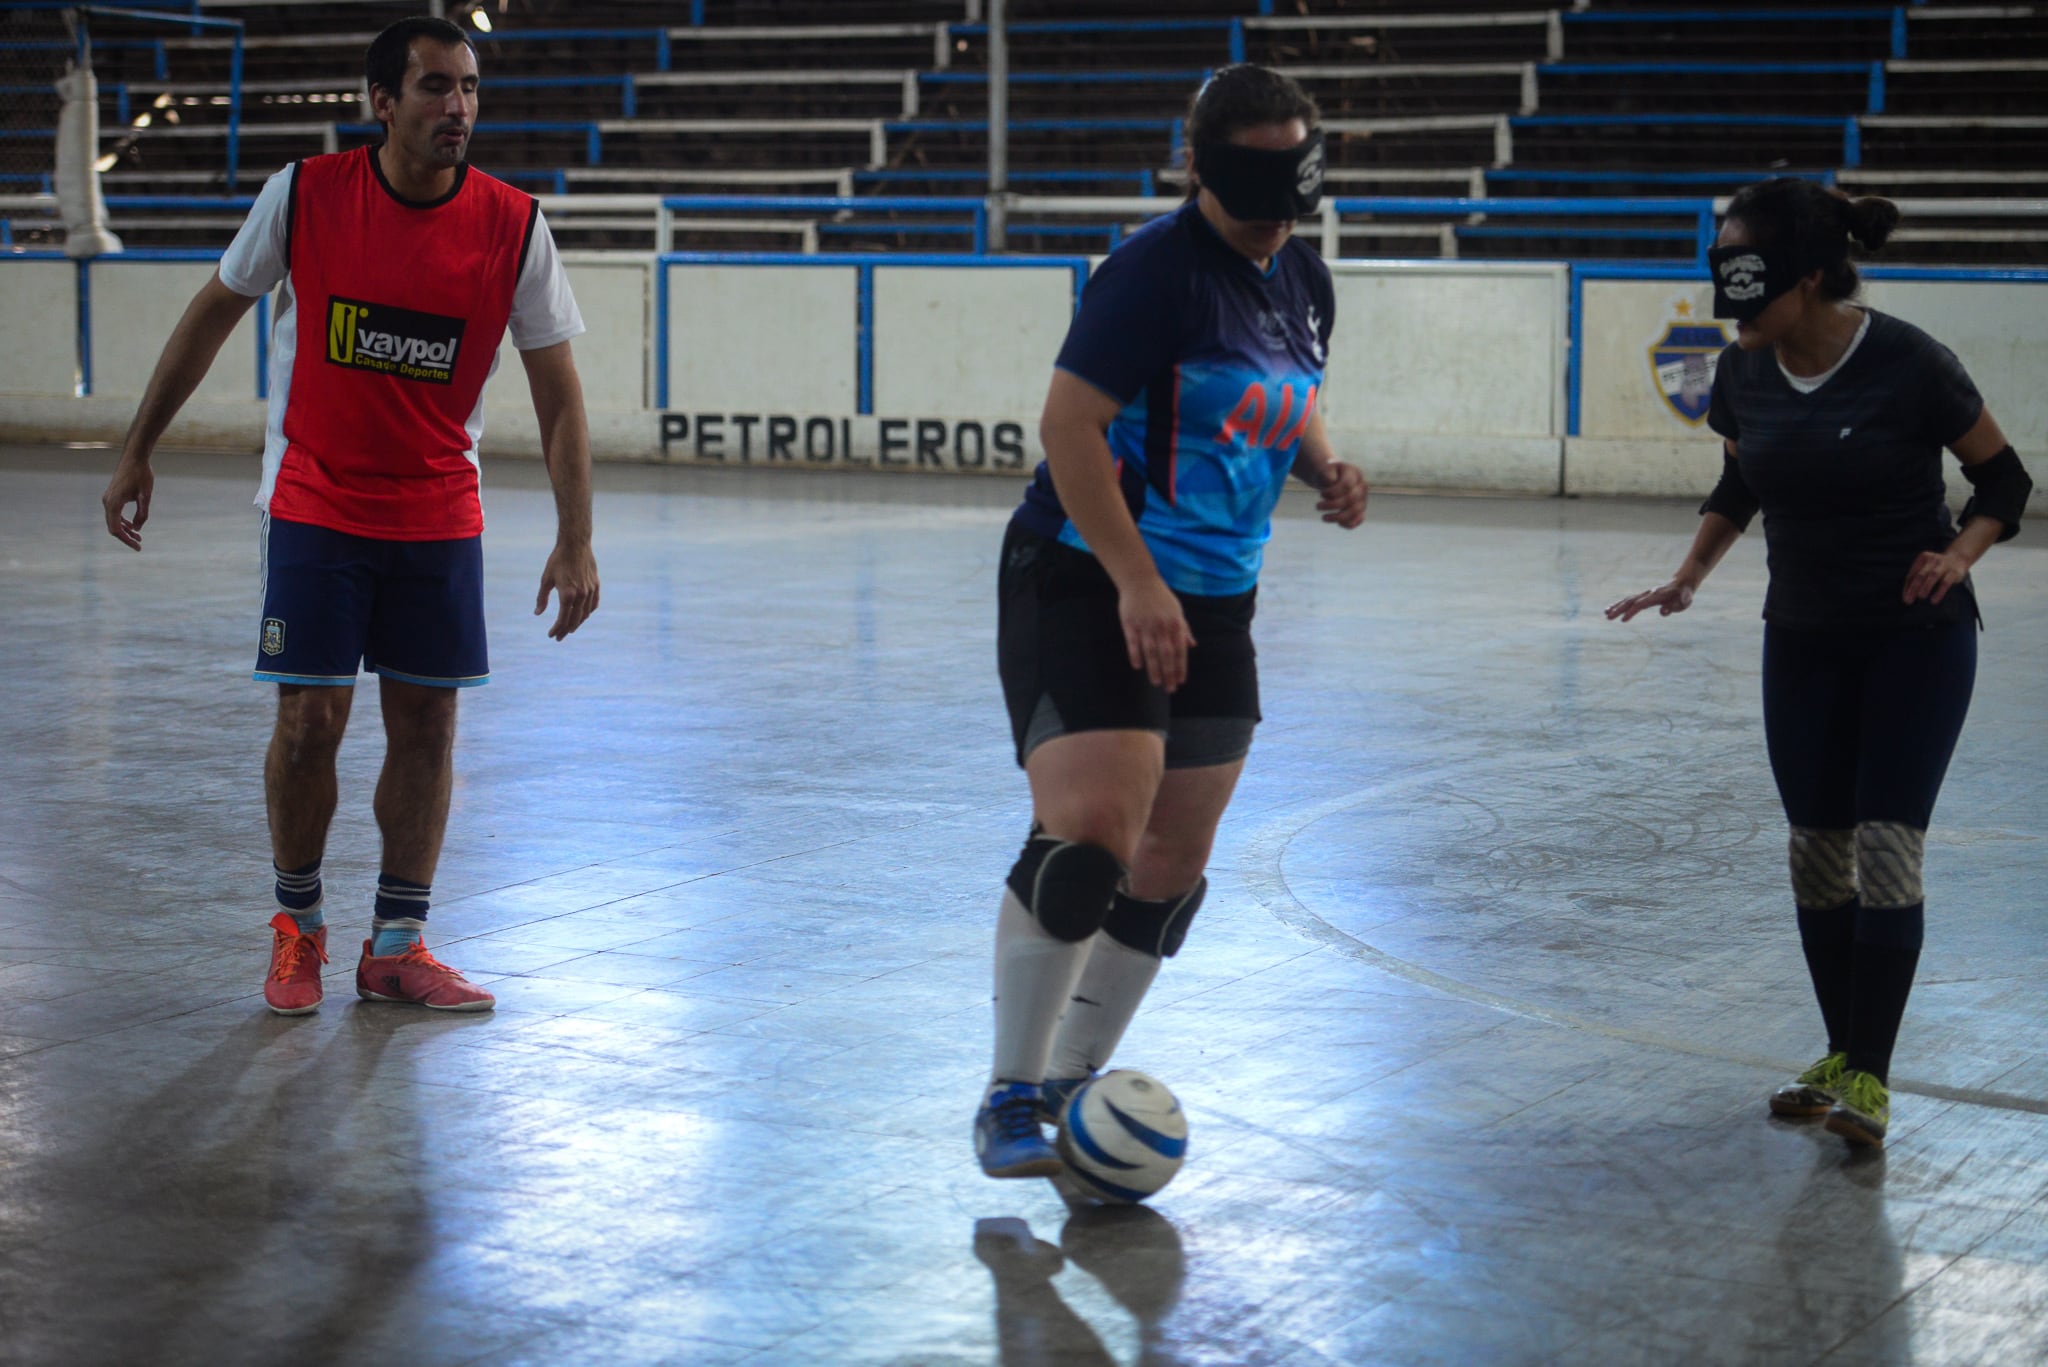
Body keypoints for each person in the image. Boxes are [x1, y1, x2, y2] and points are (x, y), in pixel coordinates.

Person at [99, 16, 600, 1016]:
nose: (456, 107)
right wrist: (139, 445)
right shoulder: (303, 195)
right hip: (316, 501)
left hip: (436, 511)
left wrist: (574, 535)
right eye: (433, 87)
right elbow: (211, 311)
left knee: (426, 719)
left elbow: (559, 396)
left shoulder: (514, 225)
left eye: (467, 88)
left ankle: (398, 946)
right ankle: (297, 930)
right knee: (309, 719)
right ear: (382, 101)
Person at [976, 65, 1369, 1178]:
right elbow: (1068, 428)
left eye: (1292, 176)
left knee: (1171, 862)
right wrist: (1135, 581)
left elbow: (1282, 391)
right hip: (1087, 572)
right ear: (1196, 165)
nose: (1275, 205)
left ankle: (1072, 1082)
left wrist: (1324, 463)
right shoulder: (1153, 274)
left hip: (1218, 597)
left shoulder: (1301, 278)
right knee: (1088, 837)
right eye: (1252, 177)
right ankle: (1007, 1091)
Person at [1607, 178, 2032, 1149]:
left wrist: (1955, 553)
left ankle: (1869, 1080)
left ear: (1807, 276)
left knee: (1884, 847)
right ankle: (1843, 1051)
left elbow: (2002, 478)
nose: (1734, 310)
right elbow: (1741, 474)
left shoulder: (1906, 361)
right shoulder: (1742, 373)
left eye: (1749, 287)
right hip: (1799, 634)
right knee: (1814, 851)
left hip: (1912, 640)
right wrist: (1688, 574)